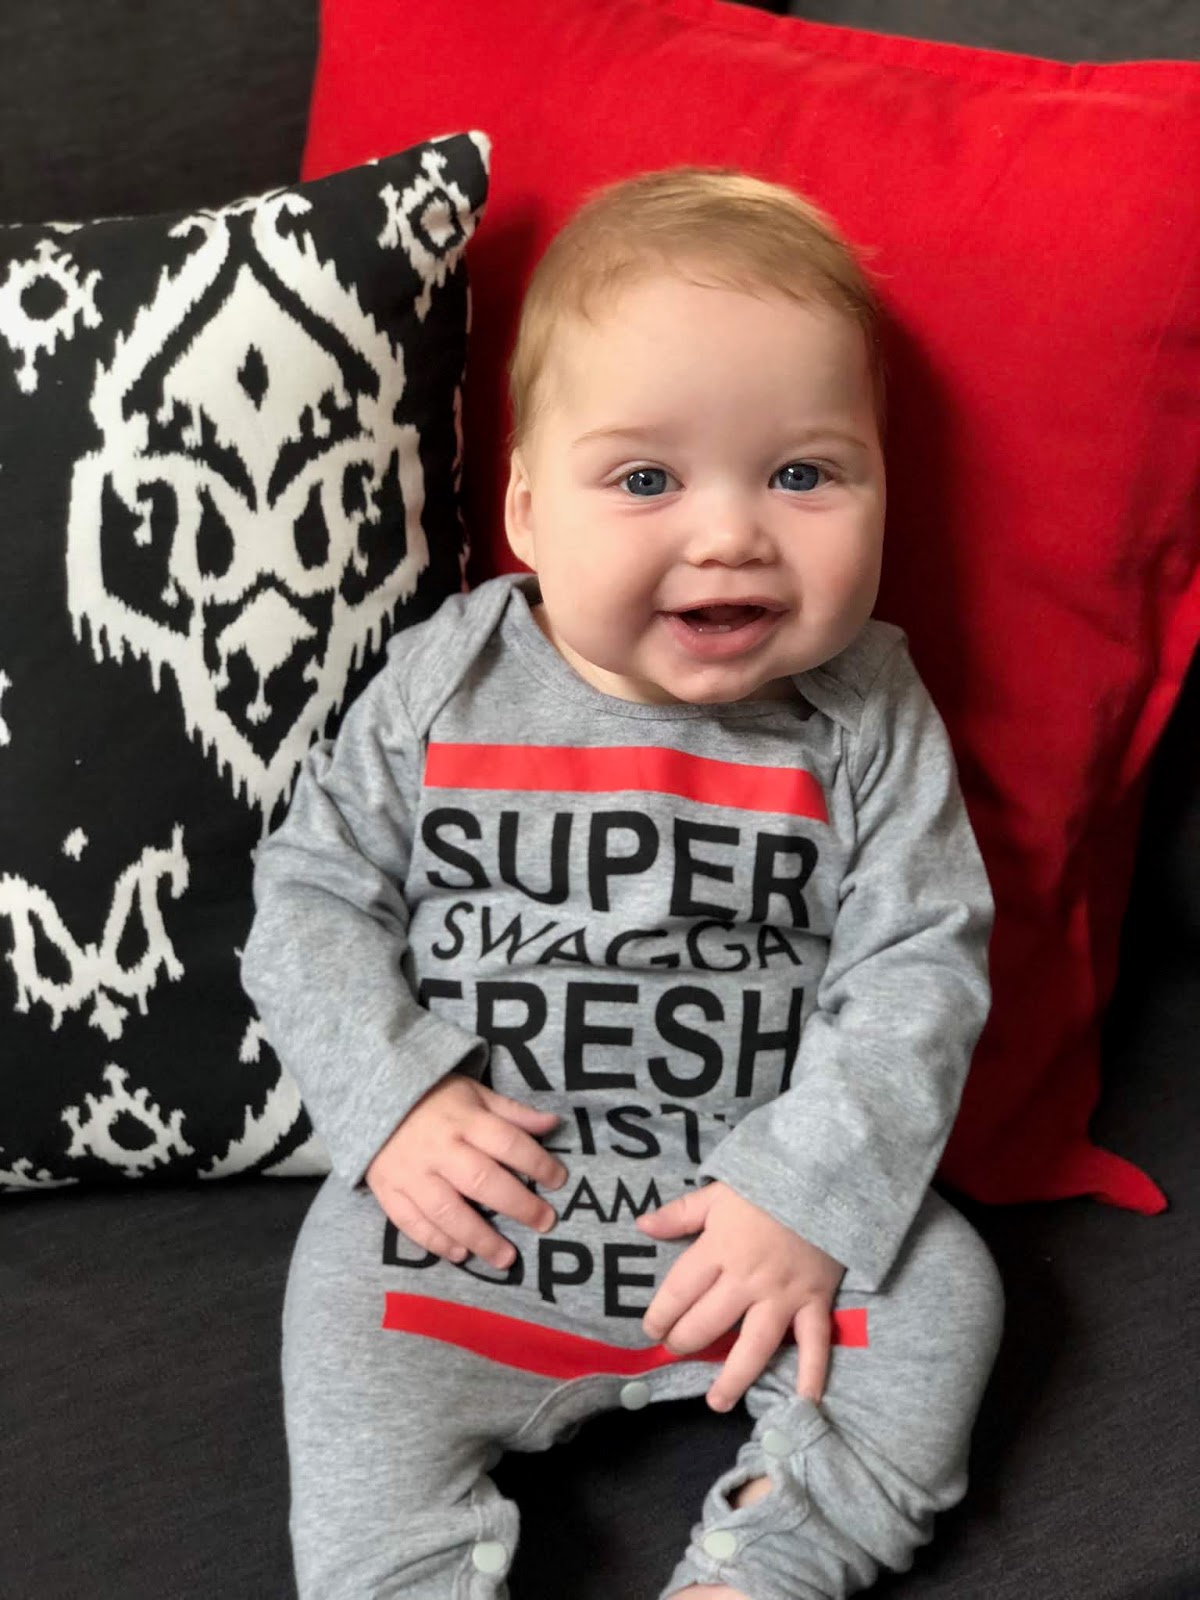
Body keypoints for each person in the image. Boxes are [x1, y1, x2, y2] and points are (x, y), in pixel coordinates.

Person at [241, 166, 1004, 1600]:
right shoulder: (448, 678)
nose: (729, 534)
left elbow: (922, 960)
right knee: (340, 1310)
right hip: (483, 1208)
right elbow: (311, 893)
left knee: (949, 1296)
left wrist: (809, 1196)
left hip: (756, 1226)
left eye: (803, 474)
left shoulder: (864, 713)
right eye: (647, 480)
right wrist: (392, 1095)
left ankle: (768, 1559)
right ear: (530, 511)